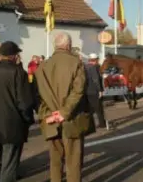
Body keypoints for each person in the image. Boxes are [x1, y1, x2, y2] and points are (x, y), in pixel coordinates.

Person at [34, 32, 94, 182]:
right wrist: (64, 112)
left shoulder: (42, 66)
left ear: (55, 45)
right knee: (73, 162)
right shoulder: (76, 63)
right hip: (71, 119)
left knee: (55, 162)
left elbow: (37, 95)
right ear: (68, 45)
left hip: (51, 120)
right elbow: (79, 90)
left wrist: (49, 114)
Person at [0, 41, 34, 182]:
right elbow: (25, 102)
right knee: (9, 163)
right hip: (12, 124)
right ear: (13, 55)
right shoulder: (18, 72)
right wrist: (27, 120)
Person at [85, 53, 107, 128]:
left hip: (87, 91)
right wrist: (100, 90)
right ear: (96, 60)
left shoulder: (85, 66)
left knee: (90, 109)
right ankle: (102, 123)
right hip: (94, 91)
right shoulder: (93, 67)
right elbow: (96, 79)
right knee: (98, 108)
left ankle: (90, 125)